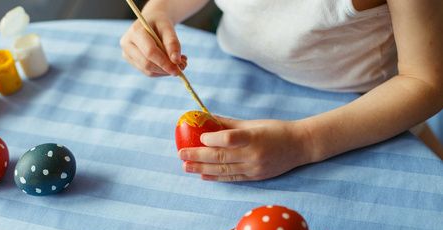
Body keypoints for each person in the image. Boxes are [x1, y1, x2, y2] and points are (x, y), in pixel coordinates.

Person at [120, 0, 443, 181]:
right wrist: (159, 11)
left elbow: (426, 82)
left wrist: (303, 143)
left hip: (364, 118)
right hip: (236, 75)